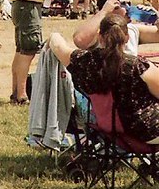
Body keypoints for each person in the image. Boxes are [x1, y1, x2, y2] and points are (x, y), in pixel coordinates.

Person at [49, 14, 159, 145]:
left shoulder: (84, 61)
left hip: (106, 128)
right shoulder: (139, 67)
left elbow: (58, 47)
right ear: (127, 38)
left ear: (100, 37)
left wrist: (53, 36)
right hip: (146, 132)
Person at [73, 0, 159, 55]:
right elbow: (80, 40)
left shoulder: (132, 29)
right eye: (123, 4)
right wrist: (103, 11)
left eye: (129, 3)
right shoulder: (98, 33)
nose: (128, 8)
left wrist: (157, 18)